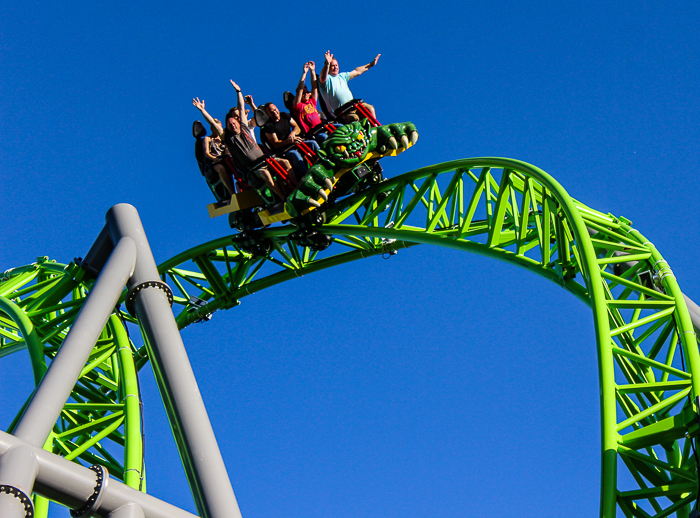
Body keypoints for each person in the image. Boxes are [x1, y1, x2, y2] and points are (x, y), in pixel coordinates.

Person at [319, 51, 380, 122]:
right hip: (343, 110)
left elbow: (357, 71)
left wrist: (371, 64)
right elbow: (323, 76)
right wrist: (327, 63)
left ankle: (375, 128)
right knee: (354, 118)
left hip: (353, 104)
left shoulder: (342, 76)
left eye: (336, 65)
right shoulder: (326, 80)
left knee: (370, 109)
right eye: (332, 66)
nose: (335, 67)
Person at [262, 102, 320, 177]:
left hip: (295, 141)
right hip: (285, 149)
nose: (275, 113)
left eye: (275, 110)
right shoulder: (268, 125)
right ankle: (306, 175)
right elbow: (276, 143)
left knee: (312, 143)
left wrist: (292, 134)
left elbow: (296, 127)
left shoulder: (284, 115)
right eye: (271, 112)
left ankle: (322, 161)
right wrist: (289, 141)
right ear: (268, 114)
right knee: (294, 154)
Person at [192, 98, 236, 196]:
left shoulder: (224, 139)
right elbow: (206, 153)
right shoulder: (208, 139)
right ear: (212, 128)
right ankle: (233, 194)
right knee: (221, 168)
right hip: (212, 164)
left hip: (226, 160)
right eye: (215, 127)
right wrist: (215, 159)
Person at [291, 61, 333, 143]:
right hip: (314, 133)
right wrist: (304, 73)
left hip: (323, 127)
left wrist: (312, 71)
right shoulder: (298, 106)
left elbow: (314, 87)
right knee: (324, 137)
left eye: (307, 92)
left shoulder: (312, 102)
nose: (306, 94)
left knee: (339, 127)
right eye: (303, 93)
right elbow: (299, 90)